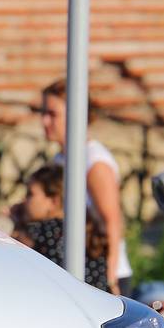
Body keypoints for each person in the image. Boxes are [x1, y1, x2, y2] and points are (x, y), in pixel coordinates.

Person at [41, 78, 129, 294]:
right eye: (42, 113)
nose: (44, 121)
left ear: (76, 116)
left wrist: (109, 278)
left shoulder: (94, 161)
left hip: (101, 273)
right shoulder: (61, 158)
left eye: (53, 114)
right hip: (76, 268)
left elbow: (111, 222)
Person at [9, 166, 113, 291]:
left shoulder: (39, 232)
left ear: (54, 201)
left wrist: (16, 223)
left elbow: (12, 266)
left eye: (30, 194)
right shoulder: (90, 230)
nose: (24, 200)